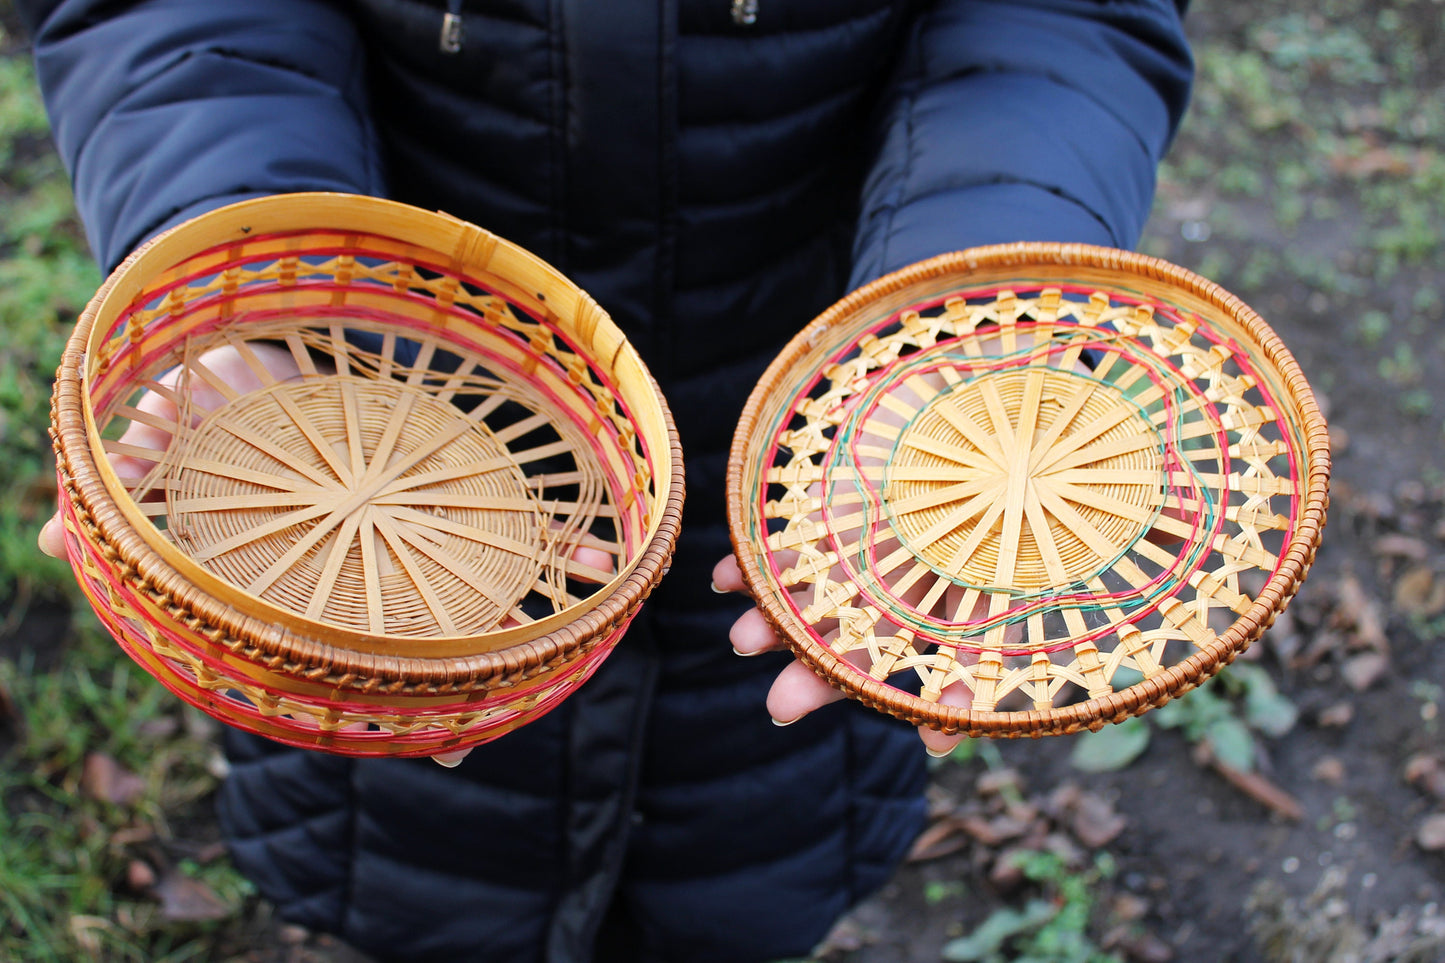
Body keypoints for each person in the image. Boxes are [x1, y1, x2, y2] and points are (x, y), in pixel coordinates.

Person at [21, 1, 1193, 960]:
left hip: (811, 435)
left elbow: (1060, 23)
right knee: (430, 871)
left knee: (740, 875)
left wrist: (944, 326)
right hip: (385, 415)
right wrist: (258, 277)